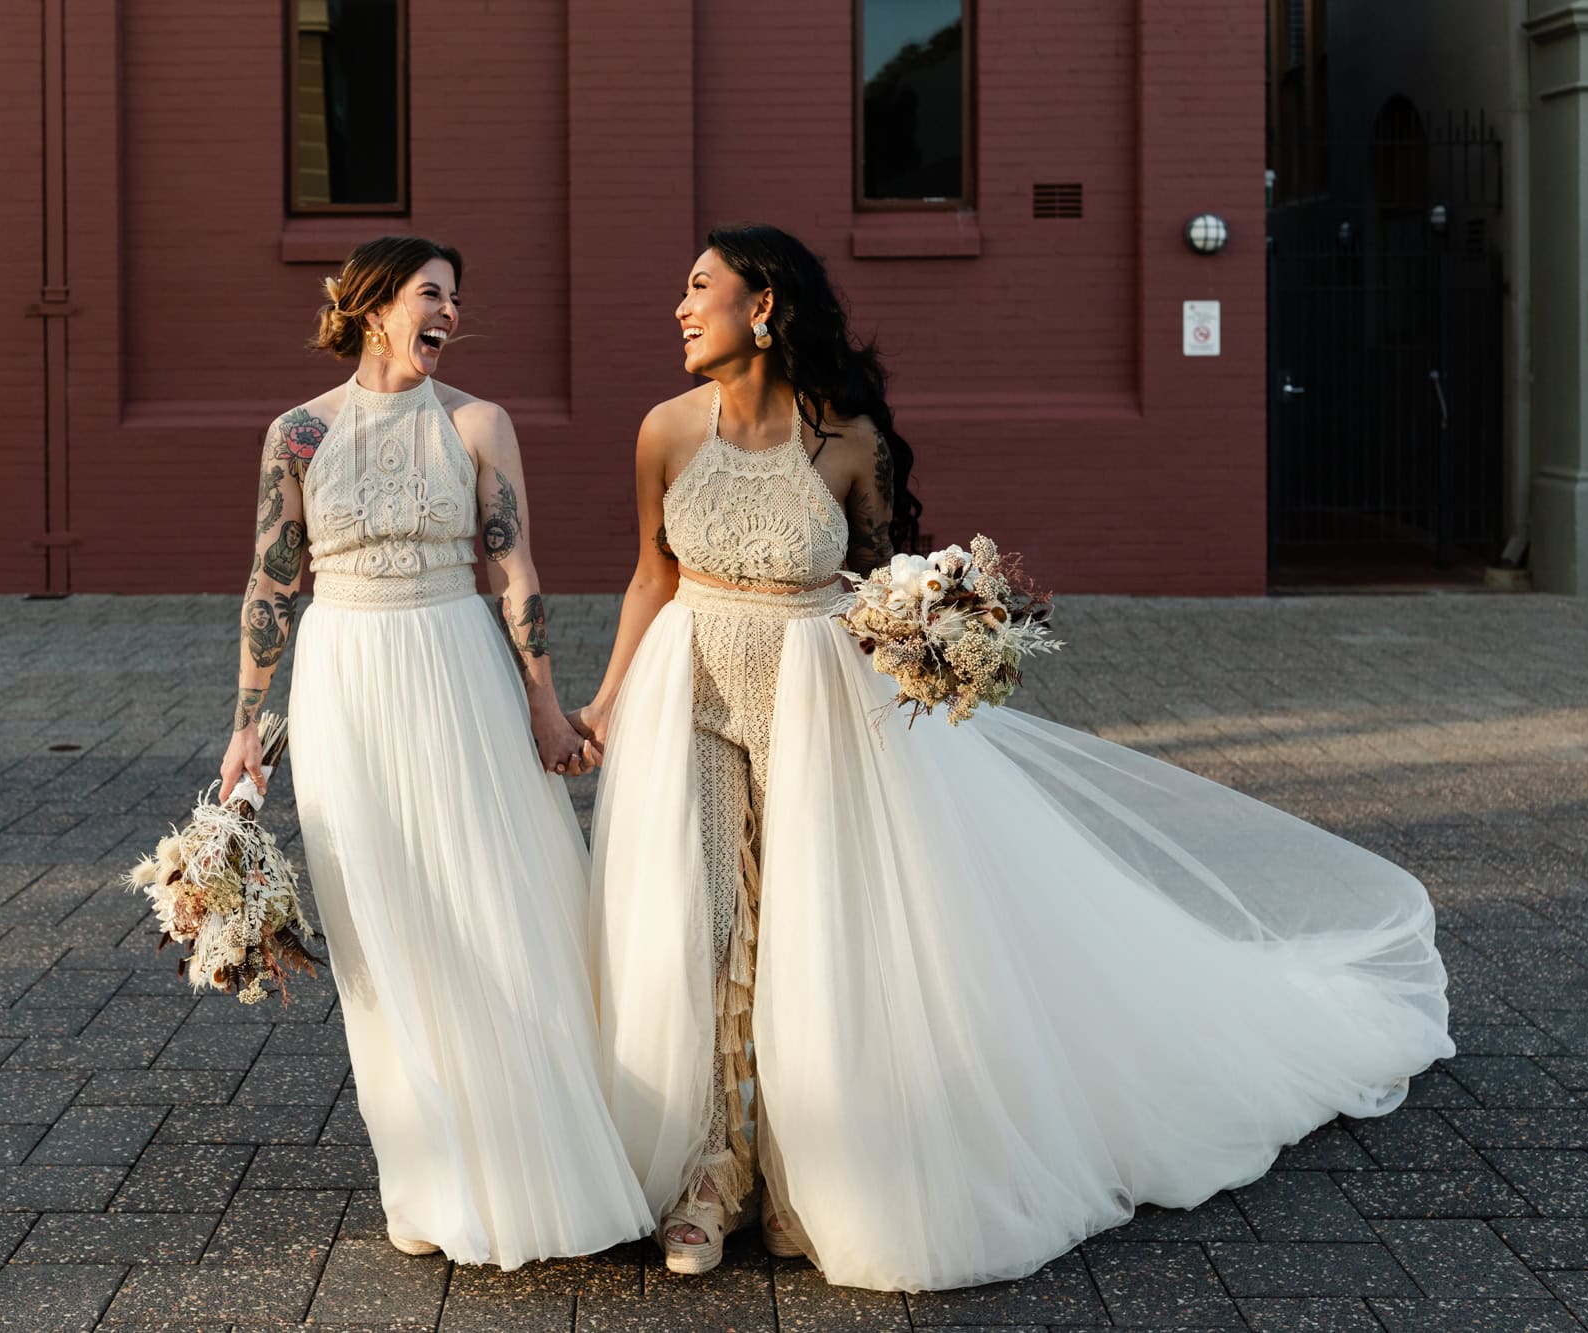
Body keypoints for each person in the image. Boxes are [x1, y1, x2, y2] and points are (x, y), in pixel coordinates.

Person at [573, 223, 1454, 1291]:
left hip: (813, 700)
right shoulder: (664, 431)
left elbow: (885, 586)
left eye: (697, 286)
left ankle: (816, 1163)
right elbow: (647, 577)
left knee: (816, 928)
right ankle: (708, 1175)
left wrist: (940, 640)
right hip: (690, 692)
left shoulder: (848, 442)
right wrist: (609, 697)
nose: (678, 306)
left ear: (762, 306)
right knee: (701, 921)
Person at [220, 235, 649, 1268]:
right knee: (383, 926)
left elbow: (516, 571)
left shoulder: (476, 424)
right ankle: (429, 1174)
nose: (447, 312)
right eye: (429, 293)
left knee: (499, 903)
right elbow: (272, 584)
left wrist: (546, 706)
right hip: (345, 683)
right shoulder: (298, 434)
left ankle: (545, 1161)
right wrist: (246, 724)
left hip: (457, 669)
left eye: (454, 296)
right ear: (373, 307)